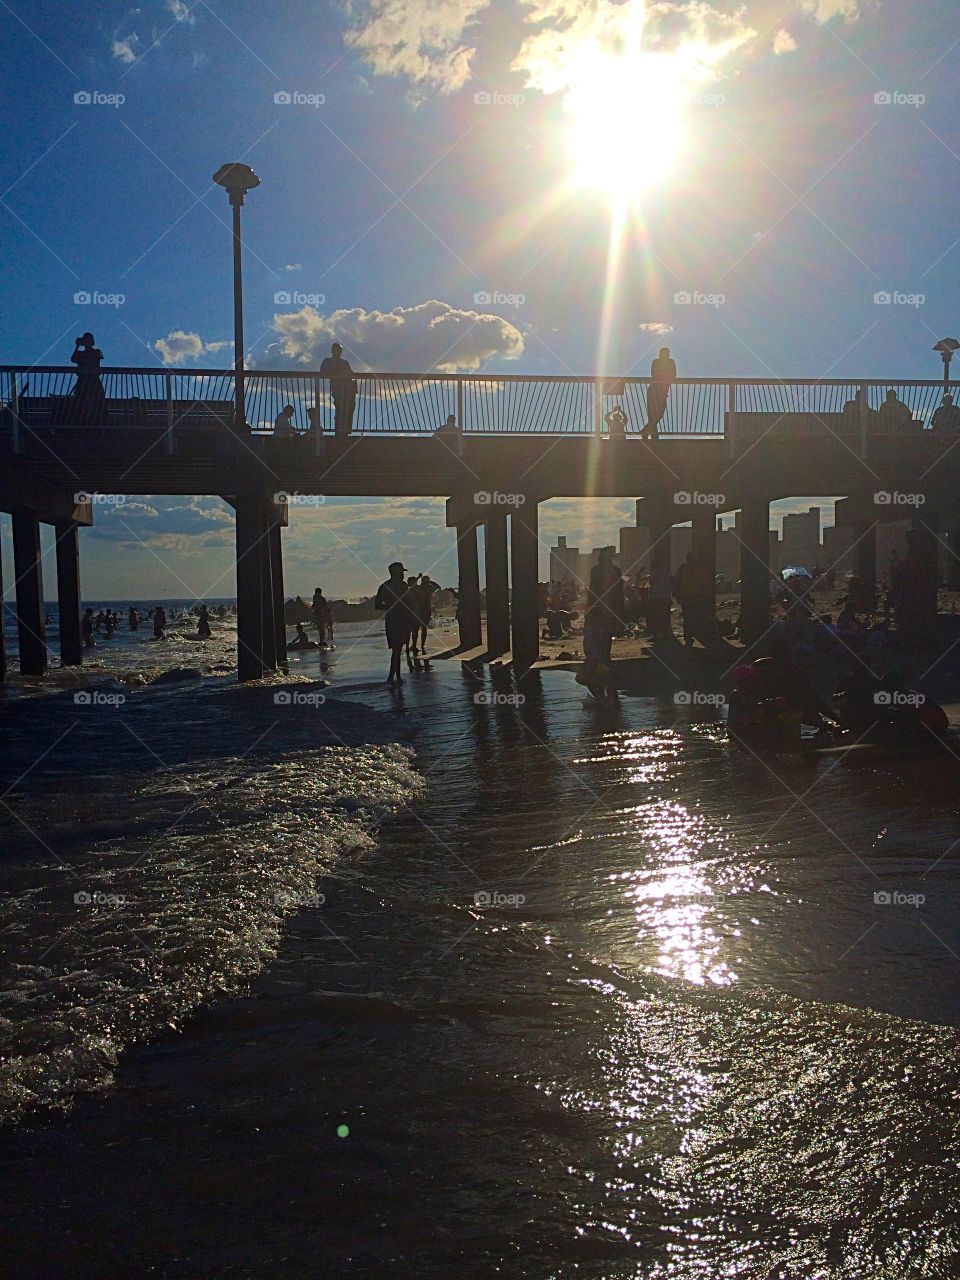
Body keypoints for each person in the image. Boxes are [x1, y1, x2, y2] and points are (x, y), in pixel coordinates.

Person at [375, 562, 412, 684]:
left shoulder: (385, 586)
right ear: (396, 573)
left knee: (397, 649)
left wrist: (390, 606)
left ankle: (395, 676)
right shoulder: (402, 586)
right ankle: (392, 677)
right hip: (398, 620)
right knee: (397, 649)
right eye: (401, 572)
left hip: (394, 620)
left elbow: (378, 605)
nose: (403, 574)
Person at [674, 550, 714, 647]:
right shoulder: (699, 569)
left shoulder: (683, 569)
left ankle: (689, 637)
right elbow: (706, 584)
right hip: (694, 597)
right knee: (694, 617)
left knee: (688, 618)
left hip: (689, 598)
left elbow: (676, 582)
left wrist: (677, 595)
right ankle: (693, 636)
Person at [319, 342, 356, 436]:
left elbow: (351, 374)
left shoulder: (344, 362)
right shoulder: (328, 361)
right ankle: (340, 431)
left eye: (339, 350)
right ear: (332, 351)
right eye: (336, 350)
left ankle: (345, 430)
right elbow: (323, 372)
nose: (338, 352)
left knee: (349, 408)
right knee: (340, 409)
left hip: (348, 389)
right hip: (338, 389)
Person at [643, 347, 676, 440]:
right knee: (655, 414)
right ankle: (650, 433)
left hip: (661, 392)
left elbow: (673, 375)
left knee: (657, 413)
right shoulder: (657, 362)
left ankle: (649, 433)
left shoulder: (670, 362)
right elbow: (655, 374)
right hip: (655, 390)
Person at [71, 333, 105, 421]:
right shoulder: (81, 354)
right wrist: (77, 346)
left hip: (92, 380)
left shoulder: (96, 351)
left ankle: (97, 419)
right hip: (84, 381)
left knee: (96, 400)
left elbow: (98, 356)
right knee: (81, 401)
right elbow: (73, 359)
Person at [415, 573, 438, 654]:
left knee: (422, 628)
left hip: (425, 610)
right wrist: (419, 578)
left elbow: (438, 586)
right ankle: (418, 645)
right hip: (420, 610)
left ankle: (421, 645)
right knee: (418, 628)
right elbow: (412, 586)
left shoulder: (428, 588)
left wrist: (428, 581)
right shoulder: (421, 588)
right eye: (425, 581)